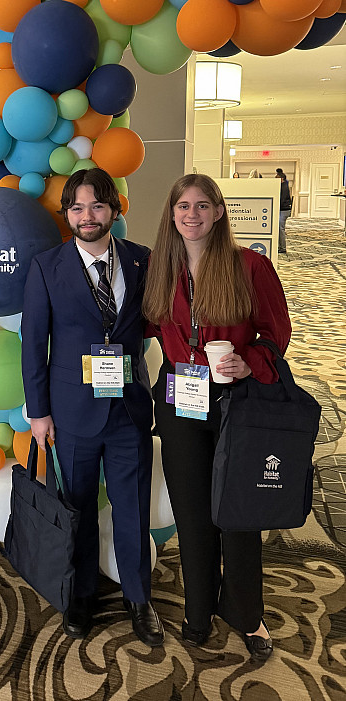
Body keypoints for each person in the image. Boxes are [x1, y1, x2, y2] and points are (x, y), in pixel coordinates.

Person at [143, 173, 291, 662]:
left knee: (239, 513)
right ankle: (199, 610)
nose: (192, 215)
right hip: (180, 401)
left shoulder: (250, 266)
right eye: (183, 206)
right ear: (172, 213)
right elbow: (138, 322)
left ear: (220, 211)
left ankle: (249, 614)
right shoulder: (161, 270)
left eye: (202, 206)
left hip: (237, 403)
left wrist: (250, 361)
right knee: (191, 512)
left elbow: (276, 330)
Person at [21, 168, 163, 646]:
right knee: (77, 508)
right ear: (67, 215)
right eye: (77, 208)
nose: (87, 216)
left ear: (114, 210)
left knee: (132, 507)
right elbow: (33, 344)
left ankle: (138, 597)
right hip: (72, 412)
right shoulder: (47, 267)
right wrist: (38, 413)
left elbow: (166, 321)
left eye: (97, 206)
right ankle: (79, 594)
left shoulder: (143, 262)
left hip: (127, 411)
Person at [275, 169, 292, 254]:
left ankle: (282, 247)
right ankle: (280, 246)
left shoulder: (284, 186)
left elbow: (282, 199)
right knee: (279, 228)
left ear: (281, 179)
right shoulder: (285, 184)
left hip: (283, 209)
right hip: (284, 209)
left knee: (280, 228)